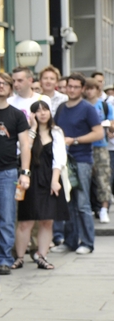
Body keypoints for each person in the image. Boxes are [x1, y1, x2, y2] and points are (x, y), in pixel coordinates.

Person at [0, 72, 31, 276]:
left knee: (7, 218)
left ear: (10, 89)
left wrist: (25, 172)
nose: (1, 86)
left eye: (5, 84)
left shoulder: (17, 115)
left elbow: (25, 145)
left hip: (8, 172)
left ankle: (4, 259)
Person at [51, 73, 104, 254]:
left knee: (82, 203)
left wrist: (74, 140)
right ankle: (71, 241)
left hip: (81, 160)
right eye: (69, 86)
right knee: (68, 203)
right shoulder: (61, 108)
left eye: (75, 87)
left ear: (82, 89)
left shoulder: (87, 109)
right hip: (63, 161)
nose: (71, 90)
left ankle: (87, 242)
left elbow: (98, 133)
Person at [13, 101, 69, 270]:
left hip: (50, 177)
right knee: (25, 221)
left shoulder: (56, 132)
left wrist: (55, 180)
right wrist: (32, 128)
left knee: (47, 220)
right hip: (29, 177)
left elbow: (59, 158)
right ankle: (20, 257)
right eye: (37, 111)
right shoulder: (27, 133)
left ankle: (42, 255)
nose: (42, 113)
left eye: (45, 110)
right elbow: (23, 150)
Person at [82, 78, 113, 223]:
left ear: (97, 90)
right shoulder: (81, 105)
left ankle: (104, 209)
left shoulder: (105, 106)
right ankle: (89, 208)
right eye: (87, 88)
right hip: (84, 145)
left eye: (92, 88)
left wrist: (107, 127)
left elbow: (112, 123)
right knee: (85, 179)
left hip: (100, 145)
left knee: (103, 178)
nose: (89, 91)